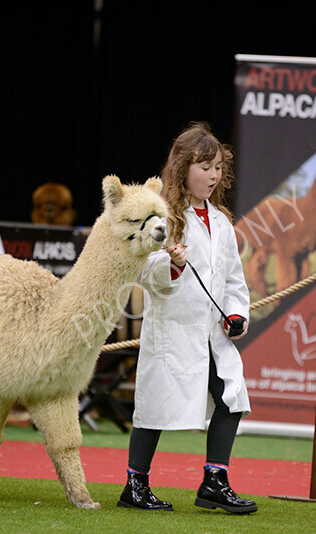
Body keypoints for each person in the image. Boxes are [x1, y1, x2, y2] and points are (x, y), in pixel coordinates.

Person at [117, 122, 257, 514]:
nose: (213, 176)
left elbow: (233, 279)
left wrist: (236, 314)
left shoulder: (223, 223)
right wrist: (172, 263)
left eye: (218, 168)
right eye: (204, 166)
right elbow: (143, 271)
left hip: (212, 334)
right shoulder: (162, 215)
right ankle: (135, 485)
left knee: (231, 398)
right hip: (172, 331)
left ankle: (215, 481)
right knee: (154, 407)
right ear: (182, 168)